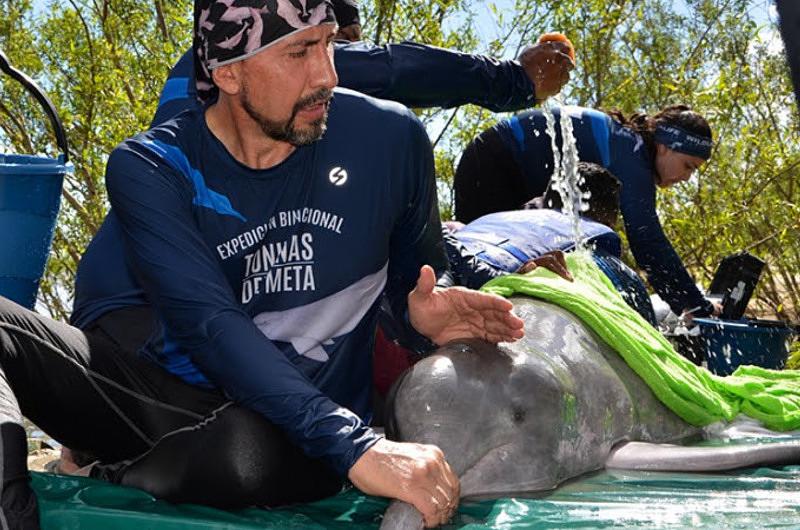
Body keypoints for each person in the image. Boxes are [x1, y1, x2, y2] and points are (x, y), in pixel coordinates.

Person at [0, 2, 528, 529]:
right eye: (299, 51)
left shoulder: (390, 140)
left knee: (249, 452)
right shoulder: (152, 166)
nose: (326, 74)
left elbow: (412, 286)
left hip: (294, 438)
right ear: (228, 72)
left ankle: (112, 479)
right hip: (176, 401)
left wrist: (418, 318)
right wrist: (358, 445)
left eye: (328, 44)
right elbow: (209, 325)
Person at [74, 29, 575, 344]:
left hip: (122, 307)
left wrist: (487, 273)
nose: (331, 69)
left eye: (337, 45)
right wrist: (515, 80)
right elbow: (395, 67)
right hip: (151, 316)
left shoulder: (228, 73)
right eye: (324, 44)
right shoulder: (269, 65)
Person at [453, 104, 722, 319]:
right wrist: (695, 306)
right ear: (665, 146)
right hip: (492, 163)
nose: (687, 178)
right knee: (484, 275)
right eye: (688, 166)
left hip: (494, 159)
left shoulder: (628, 146)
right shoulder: (632, 155)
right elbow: (647, 243)